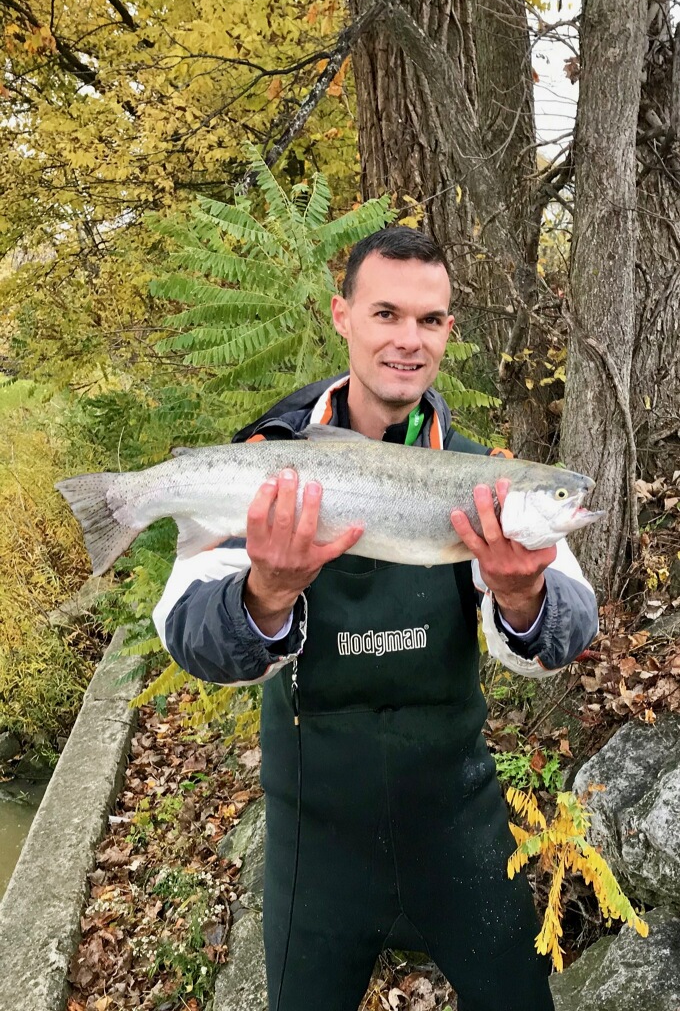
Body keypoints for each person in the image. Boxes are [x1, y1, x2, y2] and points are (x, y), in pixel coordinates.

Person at [153, 227, 599, 1011]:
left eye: (429, 320)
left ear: (449, 331)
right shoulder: (267, 463)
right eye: (386, 313)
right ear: (343, 317)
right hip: (315, 840)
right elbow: (185, 632)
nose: (407, 340)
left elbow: (568, 632)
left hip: (459, 823)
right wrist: (265, 594)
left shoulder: (488, 479)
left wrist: (521, 597)